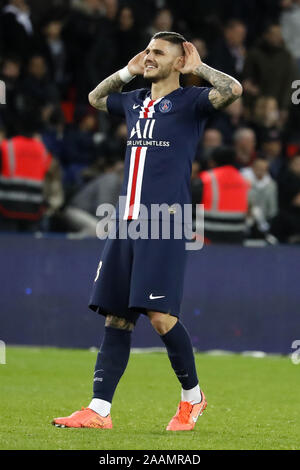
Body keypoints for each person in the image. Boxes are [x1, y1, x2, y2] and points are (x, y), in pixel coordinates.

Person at [53, 31, 242, 430]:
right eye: (148, 50)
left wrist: (199, 68)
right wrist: (128, 70)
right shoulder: (135, 101)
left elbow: (233, 89)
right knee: (116, 317)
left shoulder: (191, 102)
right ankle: (99, 410)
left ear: (179, 62)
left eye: (159, 53)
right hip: (125, 221)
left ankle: (193, 398)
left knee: (159, 316)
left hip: (165, 221)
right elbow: (95, 99)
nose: (149, 56)